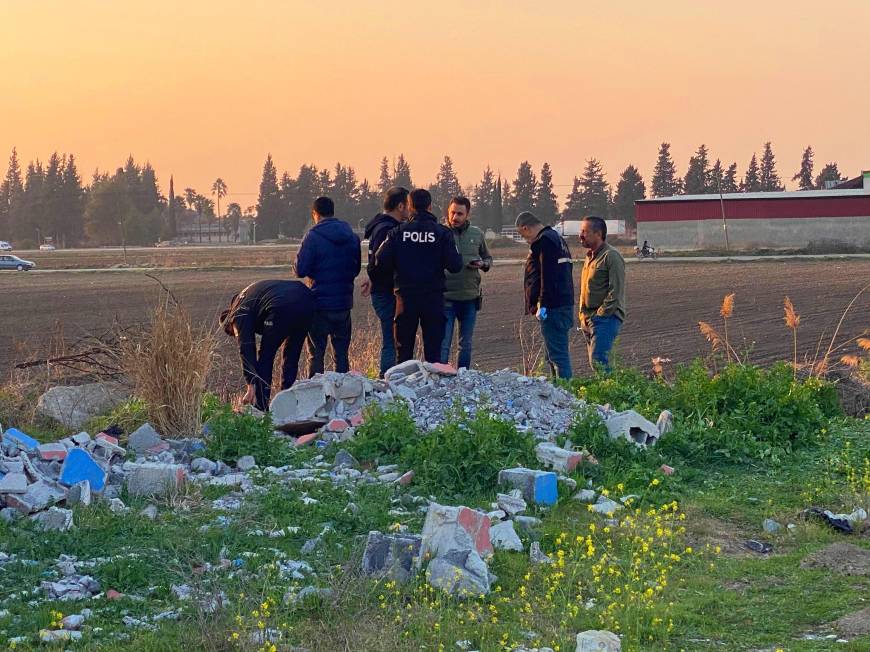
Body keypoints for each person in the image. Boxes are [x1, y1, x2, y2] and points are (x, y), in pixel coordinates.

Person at [372, 188, 462, 364]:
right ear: (429, 206)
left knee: (403, 354)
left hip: (405, 298)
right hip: (433, 298)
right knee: (434, 355)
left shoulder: (397, 233)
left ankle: (402, 389)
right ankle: (434, 388)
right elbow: (456, 265)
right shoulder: (442, 233)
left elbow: (379, 261)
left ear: (410, 206)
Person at [220, 280, 315, 411]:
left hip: (280, 306)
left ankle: (260, 407)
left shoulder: (238, 314)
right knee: (291, 356)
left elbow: (246, 347)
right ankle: (288, 404)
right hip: (307, 299)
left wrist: (251, 383)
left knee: (266, 356)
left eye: (233, 332)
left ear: (230, 324)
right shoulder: (248, 296)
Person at [295, 196, 361, 377]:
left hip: (319, 304)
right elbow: (355, 269)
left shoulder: (313, 236)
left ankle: (317, 396)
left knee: (316, 355)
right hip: (344, 304)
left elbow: (300, 270)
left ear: (315, 214)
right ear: (333, 212)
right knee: (341, 356)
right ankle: (344, 397)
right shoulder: (352, 236)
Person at [516, 210, 575, 379]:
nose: (526, 240)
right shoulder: (558, 239)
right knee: (552, 354)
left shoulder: (545, 241)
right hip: (562, 303)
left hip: (553, 307)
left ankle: (565, 392)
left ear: (526, 228)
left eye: (523, 235)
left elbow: (547, 276)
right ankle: (558, 390)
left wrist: (542, 304)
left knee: (557, 356)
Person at [360, 187, 411, 376]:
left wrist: (371, 276)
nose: (410, 210)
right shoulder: (389, 230)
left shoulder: (378, 226)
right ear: (400, 206)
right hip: (387, 292)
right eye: (408, 205)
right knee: (391, 340)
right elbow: (382, 263)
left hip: (381, 289)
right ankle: (388, 377)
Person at [440, 196, 492, 369]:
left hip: (470, 298)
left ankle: (463, 376)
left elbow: (488, 258)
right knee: (443, 344)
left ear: (467, 214)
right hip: (445, 297)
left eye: (460, 214)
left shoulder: (477, 234)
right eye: (452, 212)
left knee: (466, 345)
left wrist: (483, 264)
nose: (455, 217)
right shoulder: (440, 233)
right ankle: (442, 377)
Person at [579, 215, 626, 372]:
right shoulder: (589, 257)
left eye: (585, 231)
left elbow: (615, 291)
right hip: (588, 318)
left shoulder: (611, 256)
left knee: (599, 362)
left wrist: (600, 315)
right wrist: (582, 315)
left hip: (606, 319)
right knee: (597, 364)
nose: (580, 236)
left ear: (598, 234)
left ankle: (612, 394)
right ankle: (609, 392)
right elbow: (584, 289)